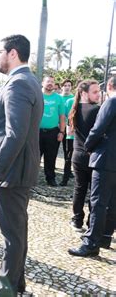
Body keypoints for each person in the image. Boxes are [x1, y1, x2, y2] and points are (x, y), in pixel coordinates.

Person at [0, 35, 43, 296]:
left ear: (13, 53)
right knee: (17, 229)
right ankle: (13, 281)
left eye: (0, 52)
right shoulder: (25, 80)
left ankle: (7, 287)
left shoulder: (18, 83)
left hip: (12, 171)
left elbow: (15, 134)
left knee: (12, 233)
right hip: (17, 169)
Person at [69, 77, 116, 257]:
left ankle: (91, 243)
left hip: (104, 159)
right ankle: (105, 236)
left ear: (110, 86)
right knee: (112, 201)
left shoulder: (111, 102)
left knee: (97, 202)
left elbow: (97, 129)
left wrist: (88, 146)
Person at [67, 80, 101, 232]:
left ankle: (76, 220)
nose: (98, 94)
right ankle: (90, 223)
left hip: (77, 154)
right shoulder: (96, 110)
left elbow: (70, 132)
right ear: (84, 93)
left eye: (99, 91)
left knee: (79, 189)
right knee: (94, 191)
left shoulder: (74, 109)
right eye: (95, 92)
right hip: (92, 156)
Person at [39, 76, 65, 186]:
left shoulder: (58, 98)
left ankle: (50, 178)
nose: (50, 83)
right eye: (48, 81)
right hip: (37, 132)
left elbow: (62, 116)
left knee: (51, 157)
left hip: (53, 132)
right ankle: (29, 179)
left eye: (52, 82)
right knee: (34, 156)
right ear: (42, 83)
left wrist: (62, 132)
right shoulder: (37, 95)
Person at [60, 79, 75, 186]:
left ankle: (68, 171)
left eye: (69, 85)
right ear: (62, 87)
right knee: (65, 149)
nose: (67, 87)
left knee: (68, 151)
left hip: (71, 130)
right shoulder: (59, 98)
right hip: (62, 127)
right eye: (65, 85)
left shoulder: (74, 99)